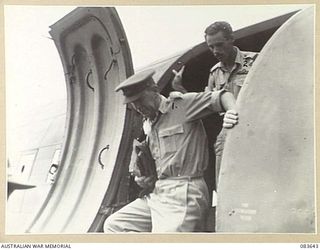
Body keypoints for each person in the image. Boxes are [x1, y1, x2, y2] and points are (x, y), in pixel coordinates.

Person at [103, 68, 239, 232]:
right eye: (132, 103)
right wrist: (145, 179)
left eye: (140, 100)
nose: (137, 107)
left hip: (186, 191)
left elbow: (222, 96)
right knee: (115, 225)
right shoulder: (150, 125)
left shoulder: (181, 106)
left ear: (153, 90)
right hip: (160, 192)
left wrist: (232, 111)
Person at [172, 21, 258, 186]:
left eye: (219, 45)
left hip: (254, 129)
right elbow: (206, 104)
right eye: (211, 47)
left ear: (231, 39)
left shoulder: (253, 61)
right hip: (229, 131)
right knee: (224, 183)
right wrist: (179, 88)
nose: (215, 51)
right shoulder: (215, 72)